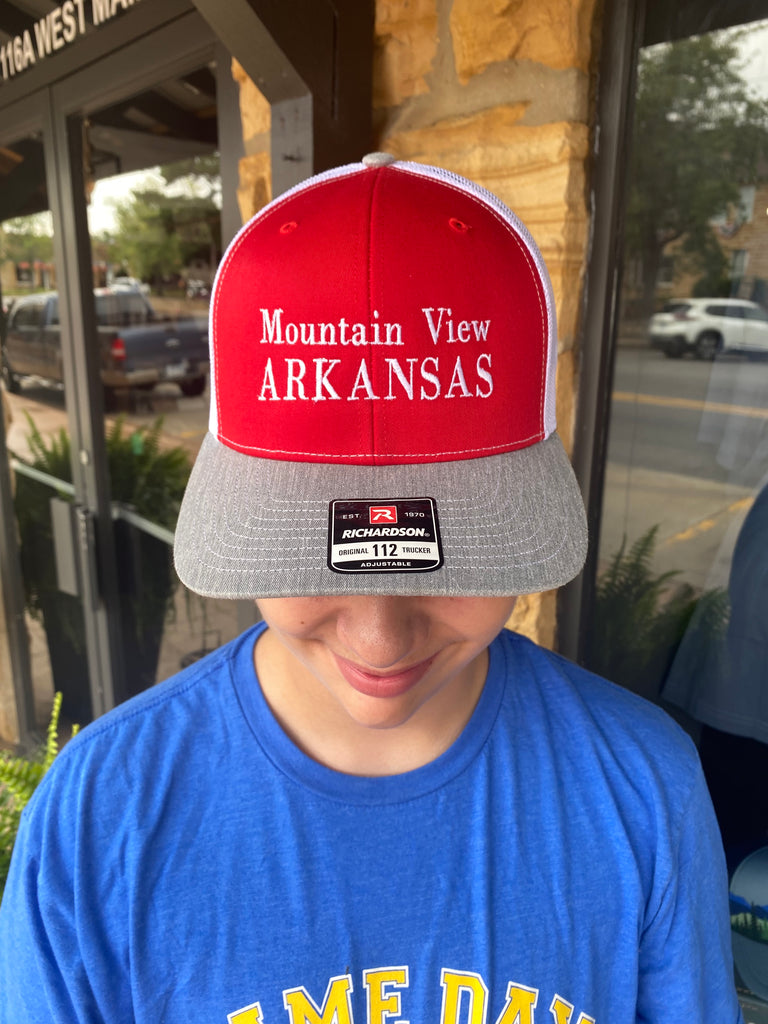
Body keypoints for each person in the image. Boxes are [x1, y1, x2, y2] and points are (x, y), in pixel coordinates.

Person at [0, 154, 743, 1023]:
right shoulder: (99, 823)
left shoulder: (645, 793)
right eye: (312, 557)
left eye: (450, 558)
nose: (380, 641)